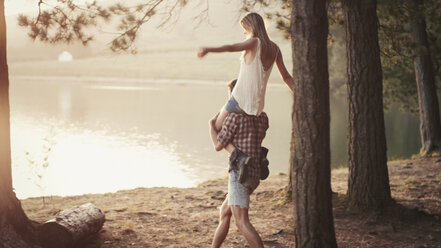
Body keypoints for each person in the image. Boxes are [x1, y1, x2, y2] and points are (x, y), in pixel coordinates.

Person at [198, 12, 293, 171]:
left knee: (215, 126)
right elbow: (287, 78)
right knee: (237, 133)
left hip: (239, 99)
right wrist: (301, 96)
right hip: (257, 106)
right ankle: (258, 155)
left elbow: (231, 47)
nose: (244, 33)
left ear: (251, 27)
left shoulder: (254, 42)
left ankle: (239, 157)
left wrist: (208, 49)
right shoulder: (275, 48)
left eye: (245, 29)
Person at [208, 96, 269, 248]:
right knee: (225, 212)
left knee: (241, 221)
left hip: (240, 174)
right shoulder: (262, 117)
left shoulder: (234, 118)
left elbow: (217, 145)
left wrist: (211, 126)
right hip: (254, 173)